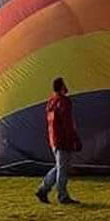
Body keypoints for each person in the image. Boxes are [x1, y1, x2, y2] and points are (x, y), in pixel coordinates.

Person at [36, 77, 81, 205]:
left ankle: (43, 189)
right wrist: (75, 139)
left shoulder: (51, 101)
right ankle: (62, 195)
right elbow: (68, 123)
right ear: (62, 87)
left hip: (54, 139)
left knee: (61, 167)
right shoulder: (64, 102)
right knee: (62, 169)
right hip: (63, 140)